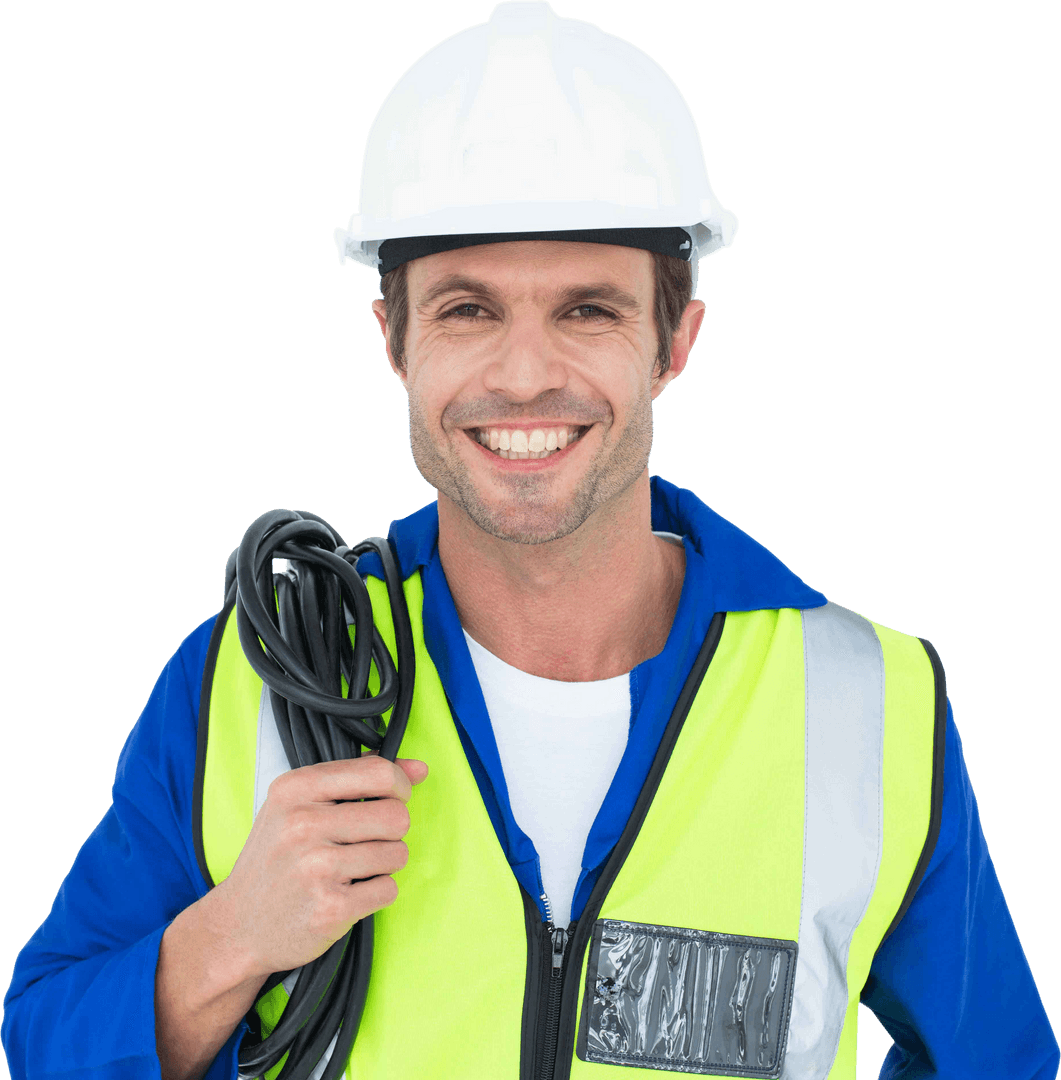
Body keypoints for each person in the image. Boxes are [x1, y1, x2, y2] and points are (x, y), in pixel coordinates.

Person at [3, 3, 1058, 1079]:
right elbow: (39, 1045)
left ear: (673, 342)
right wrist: (233, 938)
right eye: (467, 309)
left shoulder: (864, 704)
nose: (521, 375)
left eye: (586, 311)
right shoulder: (250, 679)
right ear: (393, 341)